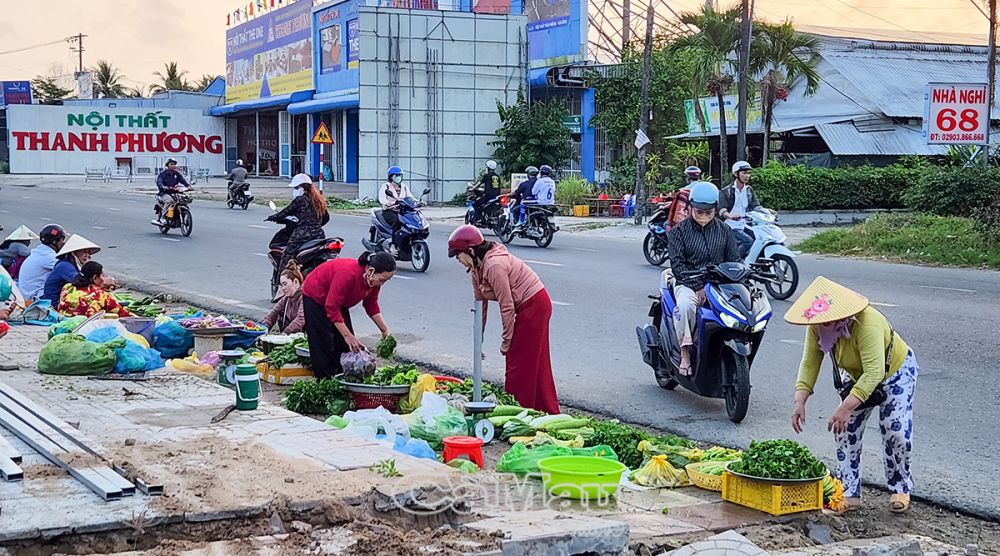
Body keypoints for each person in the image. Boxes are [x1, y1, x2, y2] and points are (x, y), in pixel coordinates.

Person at [787, 277, 917, 514]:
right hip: (858, 375)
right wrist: (800, 400)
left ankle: (900, 487)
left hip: (894, 371)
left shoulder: (867, 323)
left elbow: (875, 371)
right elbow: (810, 361)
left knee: (895, 430)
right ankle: (849, 492)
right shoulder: (816, 326)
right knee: (844, 429)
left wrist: (846, 407)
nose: (821, 325)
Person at [447, 225, 560, 414]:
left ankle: (518, 411)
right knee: (534, 362)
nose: (459, 260)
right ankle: (545, 410)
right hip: (525, 307)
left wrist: (506, 341)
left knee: (517, 362)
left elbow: (506, 306)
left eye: (458, 255)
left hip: (534, 305)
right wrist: (478, 341)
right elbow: (479, 304)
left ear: (471, 251)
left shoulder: (494, 265)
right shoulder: (475, 268)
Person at [666, 182, 741, 376]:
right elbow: (678, 267)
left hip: (718, 284)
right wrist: (699, 286)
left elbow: (734, 260)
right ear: (690, 208)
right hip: (687, 283)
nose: (704, 217)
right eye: (700, 212)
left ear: (715, 210)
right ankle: (685, 352)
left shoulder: (724, 231)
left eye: (709, 213)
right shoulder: (678, 232)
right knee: (685, 306)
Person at [301, 253, 396, 379]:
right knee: (324, 343)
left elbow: (370, 304)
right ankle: (326, 381)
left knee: (347, 346)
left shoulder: (373, 282)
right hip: (316, 295)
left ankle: (342, 376)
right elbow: (331, 307)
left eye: (385, 281)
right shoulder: (348, 273)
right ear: (371, 270)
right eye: (382, 279)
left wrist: (384, 331)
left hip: (338, 302)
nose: (382, 284)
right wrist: (348, 335)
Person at [269, 173, 329, 276]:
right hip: (319, 235)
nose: (294, 190)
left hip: (302, 235)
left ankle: (281, 284)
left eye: (296, 188)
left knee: (286, 256)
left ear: (304, 187)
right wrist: (316, 224)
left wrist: (273, 217)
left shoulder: (300, 200)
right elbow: (326, 218)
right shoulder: (318, 200)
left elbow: (285, 212)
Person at [718, 161, 767, 257]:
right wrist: (730, 216)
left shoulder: (749, 190)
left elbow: (756, 206)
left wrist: (767, 211)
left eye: (748, 173)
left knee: (761, 239)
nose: (747, 176)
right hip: (731, 226)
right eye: (744, 173)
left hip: (745, 225)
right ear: (736, 174)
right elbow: (721, 210)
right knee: (748, 241)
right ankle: (735, 262)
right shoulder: (726, 191)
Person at [57, 261, 132, 318]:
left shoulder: (67, 287)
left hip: (64, 323)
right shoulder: (99, 294)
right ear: (95, 278)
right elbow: (122, 313)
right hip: (84, 328)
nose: (103, 279)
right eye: (102, 275)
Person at [43, 234, 102, 306]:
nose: (87, 255)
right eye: (84, 251)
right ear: (74, 252)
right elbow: (81, 282)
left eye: (88, 252)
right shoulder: (65, 266)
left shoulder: (72, 264)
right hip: (54, 305)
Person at [17, 224, 67, 302]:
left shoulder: (41, 252)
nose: (64, 243)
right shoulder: (48, 256)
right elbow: (68, 271)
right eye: (62, 240)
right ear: (54, 242)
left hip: (27, 294)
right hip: (35, 297)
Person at [378, 166, 417, 249]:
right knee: (397, 222)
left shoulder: (404, 187)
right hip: (389, 211)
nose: (398, 177)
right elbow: (382, 198)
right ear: (391, 177)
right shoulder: (386, 186)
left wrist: (418, 202)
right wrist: (388, 203)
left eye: (400, 175)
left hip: (402, 210)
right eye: (396, 176)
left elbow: (410, 197)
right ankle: (393, 244)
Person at [262, 261, 306, 334]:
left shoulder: (305, 297)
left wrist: (284, 334)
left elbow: (300, 319)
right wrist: (265, 328)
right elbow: (272, 314)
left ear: (295, 282)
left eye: (285, 284)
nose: (283, 288)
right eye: (282, 285)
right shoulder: (286, 299)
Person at [154, 158, 191, 225]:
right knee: (170, 201)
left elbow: (182, 180)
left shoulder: (176, 174)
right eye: (171, 164)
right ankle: (163, 217)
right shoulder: (163, 174)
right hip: (164, 193)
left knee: (182, 200)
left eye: (174, 164)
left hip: (175, 192)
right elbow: (159, 181)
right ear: (167, 165)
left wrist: (188, 186)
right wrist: (162, 186)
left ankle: (179, 215)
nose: (173, 165)